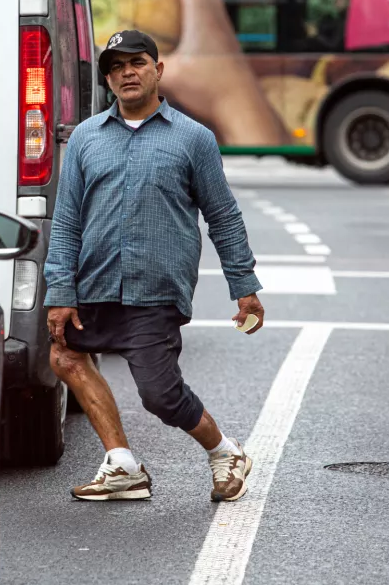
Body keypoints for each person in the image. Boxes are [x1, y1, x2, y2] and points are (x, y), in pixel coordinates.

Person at [43, 28, 266, 503]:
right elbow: (65, 220)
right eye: (116, 66)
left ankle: (226, 452)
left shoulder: (193, 138)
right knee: (64, 356)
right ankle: (122, 464)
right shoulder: (85, 139)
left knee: (159, 394)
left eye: (137, 62)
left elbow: (223, 215)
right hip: (95, 283)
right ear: (107, 79)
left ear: (157, 70)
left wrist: (243, 287)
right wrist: (60, 292)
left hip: (156, 288)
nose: (128, 72)